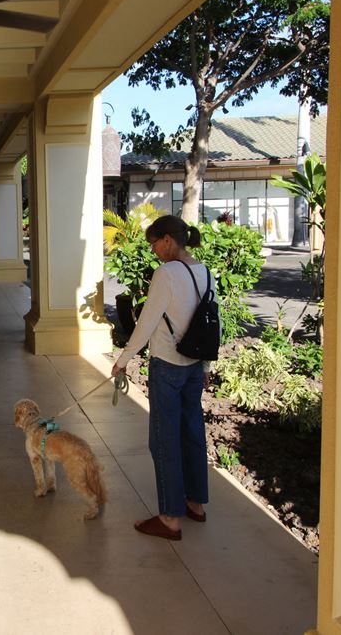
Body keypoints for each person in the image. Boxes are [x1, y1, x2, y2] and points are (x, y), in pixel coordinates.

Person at [110, 214, 217, 541]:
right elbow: (214, 320)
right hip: (194, 365)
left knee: (164, 440)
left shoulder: (167, 273)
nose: (153, 249)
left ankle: (170, 518)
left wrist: (123, 359)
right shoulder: (204, 272)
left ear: (168, 240)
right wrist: (207, 367)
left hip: (167, 366)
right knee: (192, 432)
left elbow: (147, 322)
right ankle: (195, 504)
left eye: (154, 243)